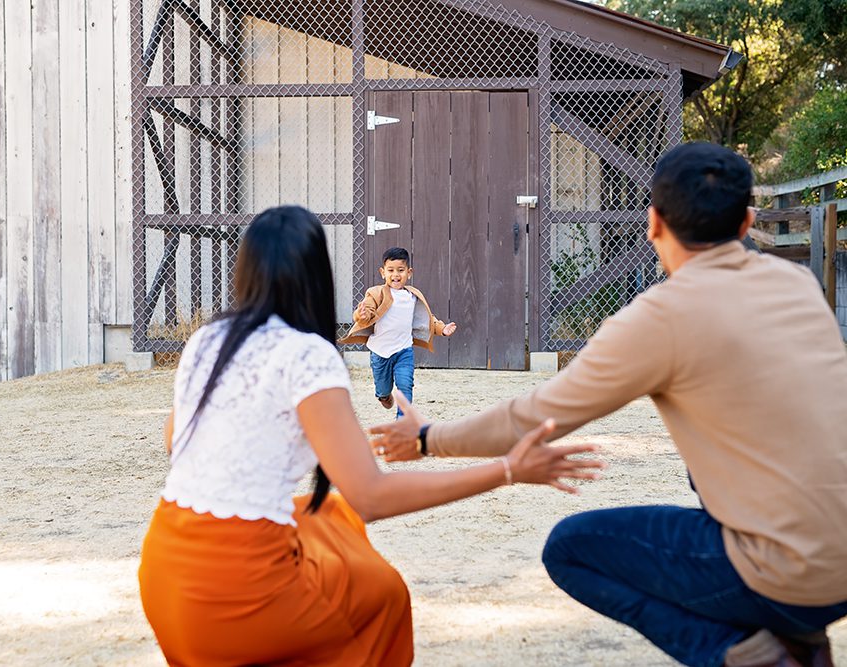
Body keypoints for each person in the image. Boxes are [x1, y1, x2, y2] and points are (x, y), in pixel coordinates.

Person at [369, 143, 847, 667]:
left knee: (571, 550)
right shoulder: (798, 284)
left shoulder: (662, 317)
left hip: (788, 573)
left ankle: (749, 655)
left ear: (654, 223)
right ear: (747, 222)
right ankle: (801, 640)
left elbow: (534, 417)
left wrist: (427, 438)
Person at [137, 206, 603, 667]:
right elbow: (372, 496)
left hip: (163, 568)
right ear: (317, 275)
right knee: (384, 594)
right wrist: (507, 469)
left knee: (331, 517)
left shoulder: (209, 339)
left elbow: (175, 441)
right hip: (236, 593)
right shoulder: (308, 355)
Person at [339, 247, 457, 417]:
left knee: (405, 384)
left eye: (400, 270)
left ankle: (403, 420)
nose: (396, 275)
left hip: (404, 351)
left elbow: (425, 318)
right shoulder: (376, 293)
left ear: (409, 273)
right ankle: (384, 396)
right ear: (383, 272)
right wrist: (361, 314)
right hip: (380, 352)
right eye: (391, 270)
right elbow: (367, 311)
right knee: (383, 389)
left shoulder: (413, 296)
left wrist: (442, 329)